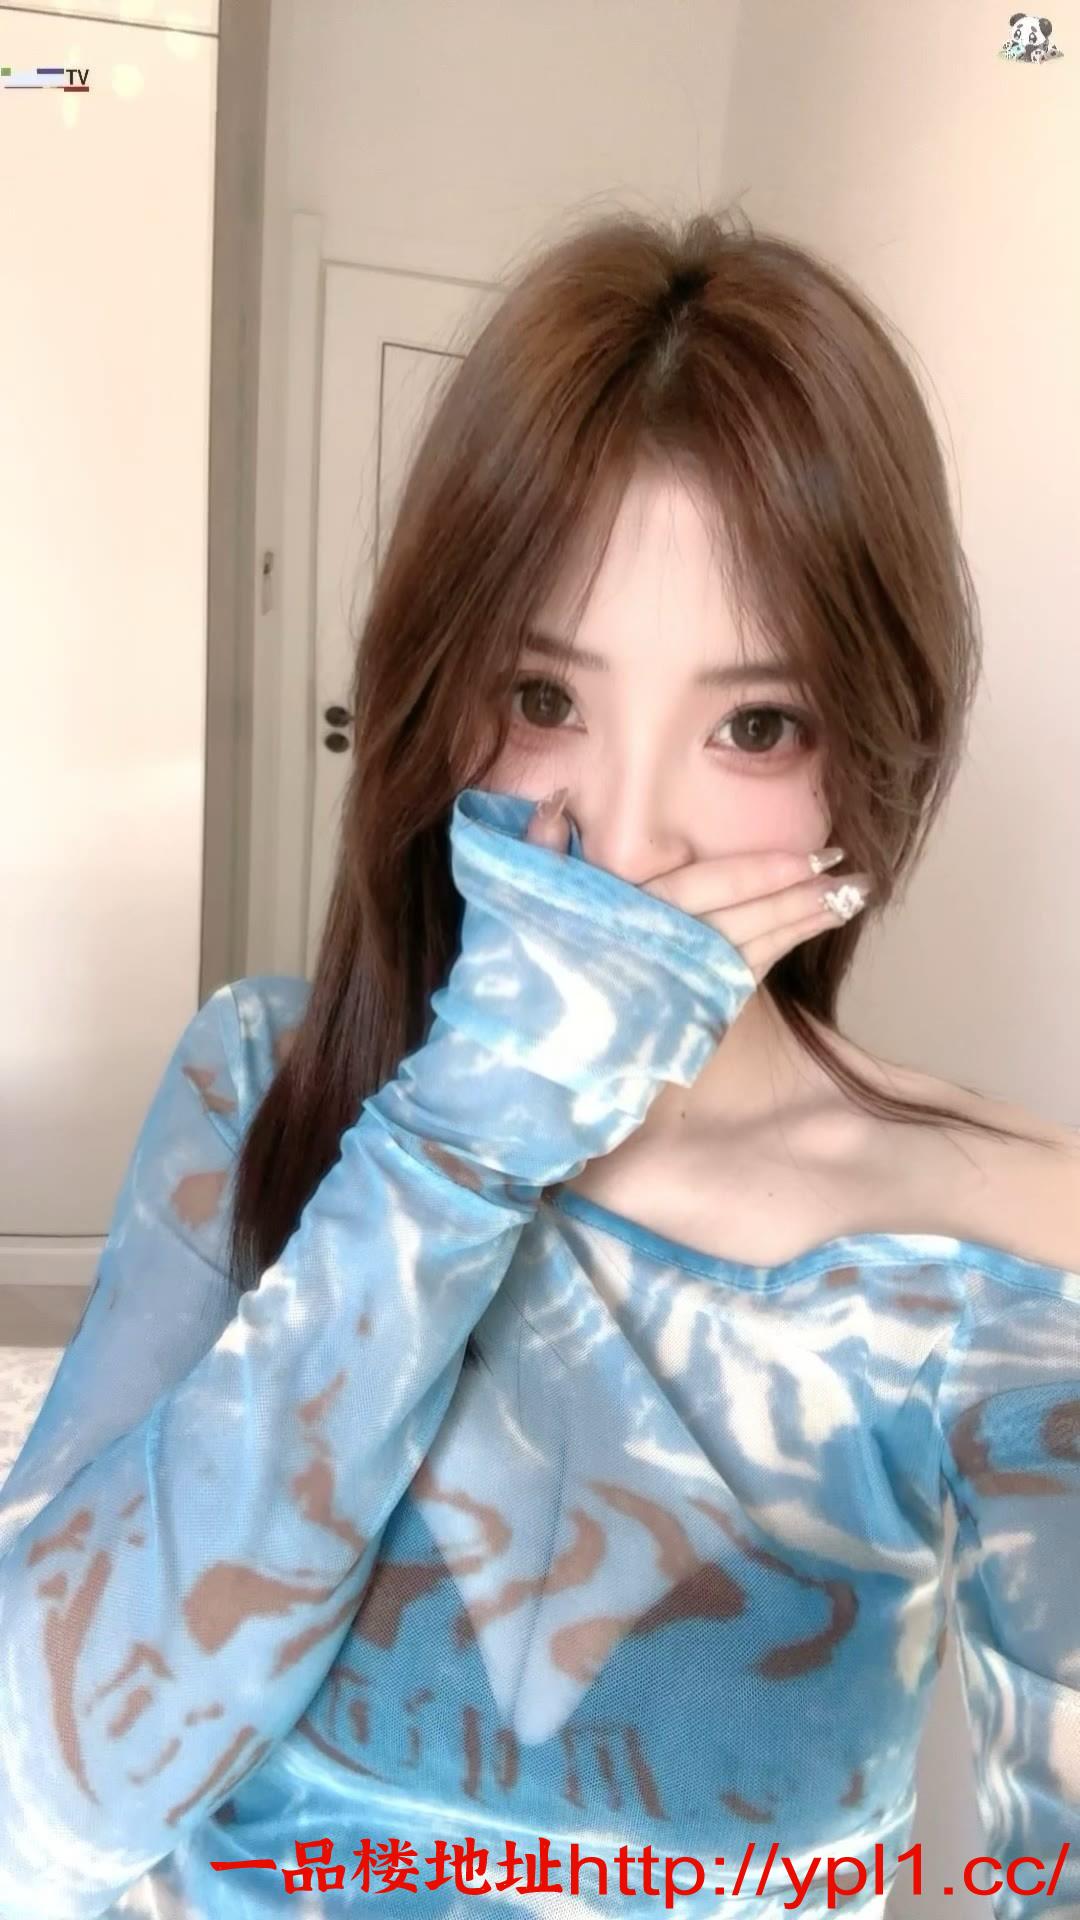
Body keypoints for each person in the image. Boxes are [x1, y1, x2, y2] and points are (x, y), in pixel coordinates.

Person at [0, 206, 1077, 1920]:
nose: (626, 840)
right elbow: (39, 1809)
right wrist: (464, 1135)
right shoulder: (264, 1081)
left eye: (754, 724)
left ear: (871, 749)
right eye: (542, 697)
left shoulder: (1007, 1255)